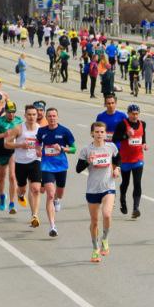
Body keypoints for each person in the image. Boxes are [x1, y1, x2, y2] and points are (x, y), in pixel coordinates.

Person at [76, 122, 120, 263]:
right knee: (94, 221)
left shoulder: (111, 147)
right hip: (93, 189)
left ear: (105, 133)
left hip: (108, 186)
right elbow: (78, 169)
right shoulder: (86, 150)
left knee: (106, 214)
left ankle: (105, 239)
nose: (100, 134)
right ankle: (95, 249)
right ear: (92, 133)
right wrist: (87, 162)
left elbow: (117, 158)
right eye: (97, 132)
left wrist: (117, 168)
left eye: (102, 132)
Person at [35, 108, 75, 238]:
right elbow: (37, 141)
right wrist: (37, 149)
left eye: (54, 116)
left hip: (61, 167)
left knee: (59, 193)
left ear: (57, 117)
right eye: (50, 116)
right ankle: (53, 226)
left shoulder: (64, 131)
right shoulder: (42, 131)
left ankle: (58, 200)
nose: (52, 118)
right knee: (50, 195)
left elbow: (74, 149)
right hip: (47, 167)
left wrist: (62, 148)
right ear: (46, 118)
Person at [0, 100, 20, 214]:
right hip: (1, 151)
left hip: (13, 151)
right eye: (9, 112)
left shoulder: (19, 120)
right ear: (5, 112)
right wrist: (3, 135)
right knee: (1, 177)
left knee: (12, 176)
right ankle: (2, 196)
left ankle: (12, 204)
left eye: (13, 112)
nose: (11, 114)